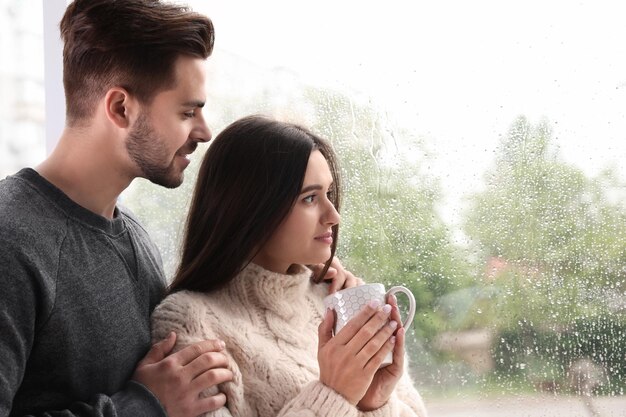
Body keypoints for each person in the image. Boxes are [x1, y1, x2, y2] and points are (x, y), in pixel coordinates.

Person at [151, 115, 428, 417]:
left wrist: (372, 403)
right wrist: (334, 395)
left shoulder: (337, 299)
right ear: (251, 208)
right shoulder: (190, 322)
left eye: (330, 194)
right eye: (310, 198)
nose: (333, 215)